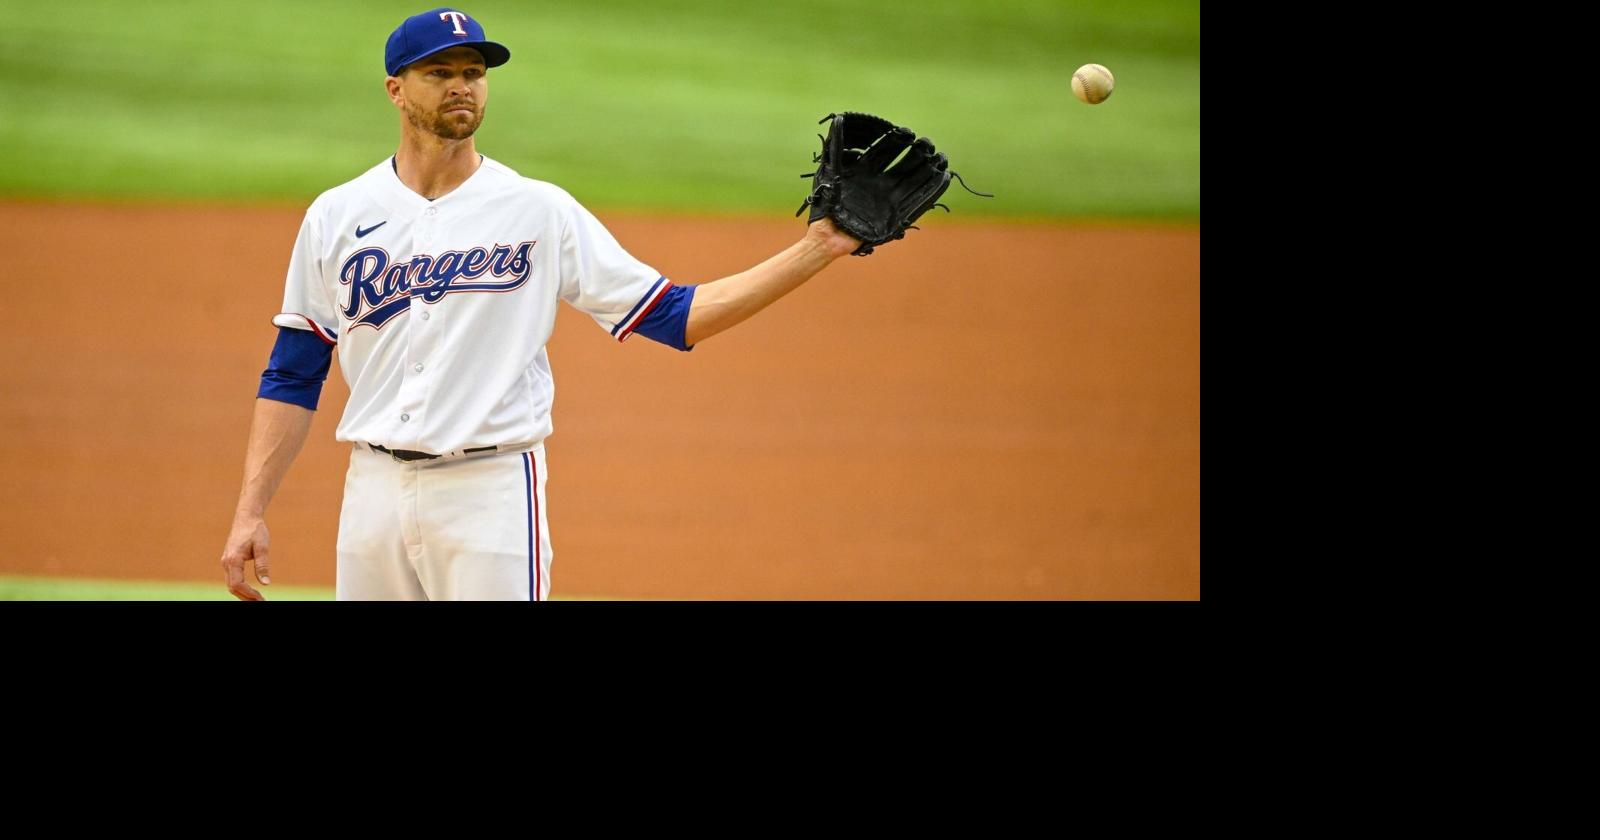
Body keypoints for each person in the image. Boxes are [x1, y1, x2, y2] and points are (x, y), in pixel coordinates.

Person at [219, 7, 862, 600]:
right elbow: (294, 369)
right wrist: (250, 510)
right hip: (373, 492)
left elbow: (674, 316)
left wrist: (818, 248)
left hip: (490, 493)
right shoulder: (337, 214)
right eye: (439, 72)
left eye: (473, 73)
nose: (461, 86)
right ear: (396, 88)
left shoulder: (537, 210)